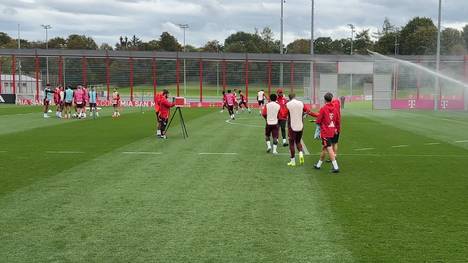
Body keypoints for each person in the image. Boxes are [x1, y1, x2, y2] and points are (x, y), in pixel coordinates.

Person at [314, 93, 340, 173]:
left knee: (329, 148)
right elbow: (337, 120)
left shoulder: (323, 108)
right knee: (324, 148)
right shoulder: (335, 108)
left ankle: (336, 167)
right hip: (332, 131)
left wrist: (319, 122)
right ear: (331, 99)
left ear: (325, 100)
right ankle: (318, 165)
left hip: (326, 132)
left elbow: (318, 120)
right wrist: (336, 128)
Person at [285, 93, 308, 167]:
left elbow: (284, 114)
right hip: (300, 126)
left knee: (291, 143)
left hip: (292, 126)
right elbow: (307, 111)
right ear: (295, 97)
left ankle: (293, 161)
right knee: (298, 141)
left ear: (289, 98)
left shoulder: (288, 104)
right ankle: (301, 153)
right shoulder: (301, 103)